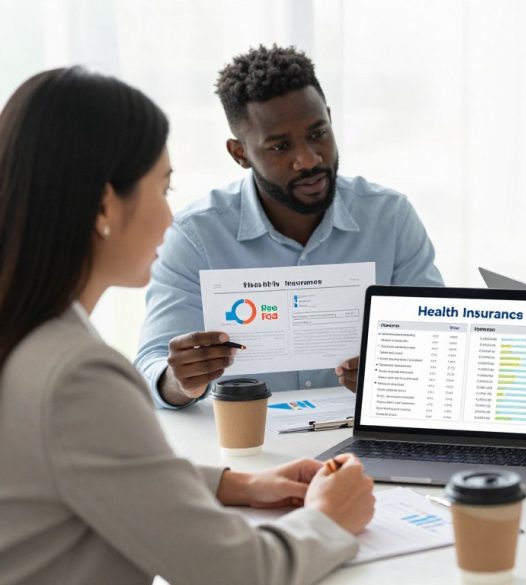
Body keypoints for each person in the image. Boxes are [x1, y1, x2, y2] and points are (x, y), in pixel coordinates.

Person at [0, 67, 376, 584]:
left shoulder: (34, 335)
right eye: (163, 187)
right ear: (106, 206)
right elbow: (236, 572)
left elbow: (101, 470)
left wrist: (237, 484)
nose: (170, 215)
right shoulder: (77, 376)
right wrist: (330, 518)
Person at [134, 45, 444, 409]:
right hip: (247, 440)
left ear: (330, 119)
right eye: (280, 147)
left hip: (358, 437)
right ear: (240, 154)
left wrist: (398, 370)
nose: (309, 160)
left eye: (318, 134)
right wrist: (179, 380)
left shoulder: (390, 218)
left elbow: (437, 346)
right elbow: (151, 365)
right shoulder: (195, 236)